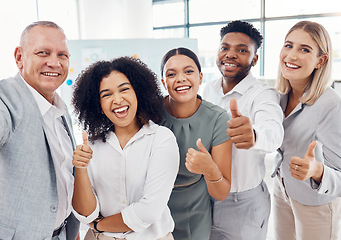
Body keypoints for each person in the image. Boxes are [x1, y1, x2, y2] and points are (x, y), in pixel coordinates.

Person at [71, 56, 179, 240]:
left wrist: (99, 225)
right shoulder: (92, 145)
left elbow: (149, 211)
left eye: (124, 90)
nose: (117, 99)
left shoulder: (161, 139)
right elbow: (86, 214)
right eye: (106, 94)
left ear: (138, 92)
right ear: (98, 104)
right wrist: (81, 168)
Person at [201, 20, 284, 240]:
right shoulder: (206, 90)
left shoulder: (262, 94)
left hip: (242, 205)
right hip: (203, 198)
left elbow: (273, 131)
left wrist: (254, 134)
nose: (230, 54)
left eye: (242, 50)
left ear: (254, 59)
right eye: (225, 48)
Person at [0, 21, 80, 239]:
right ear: (19, 57)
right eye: (43, 53)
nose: (54, 63)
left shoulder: (62, 113)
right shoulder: (6, 97)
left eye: (62, 55)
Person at [271, 20, 341, 240]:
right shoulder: (280, 95)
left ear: (320, 61)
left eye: (304, 49)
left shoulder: (330, 105)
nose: (291, 55)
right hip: (282, 189)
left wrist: (317, 171)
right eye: (288, 45)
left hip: (315, 203)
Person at [160, 47, 232, 240]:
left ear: (200, 77)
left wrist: (210, 170)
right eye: (171, 74)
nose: (181, 78)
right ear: (163, 82)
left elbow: (221, 192)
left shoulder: (217, 118)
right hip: (153, 210)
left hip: (194, 214)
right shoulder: (149, 114)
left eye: (188, 71)